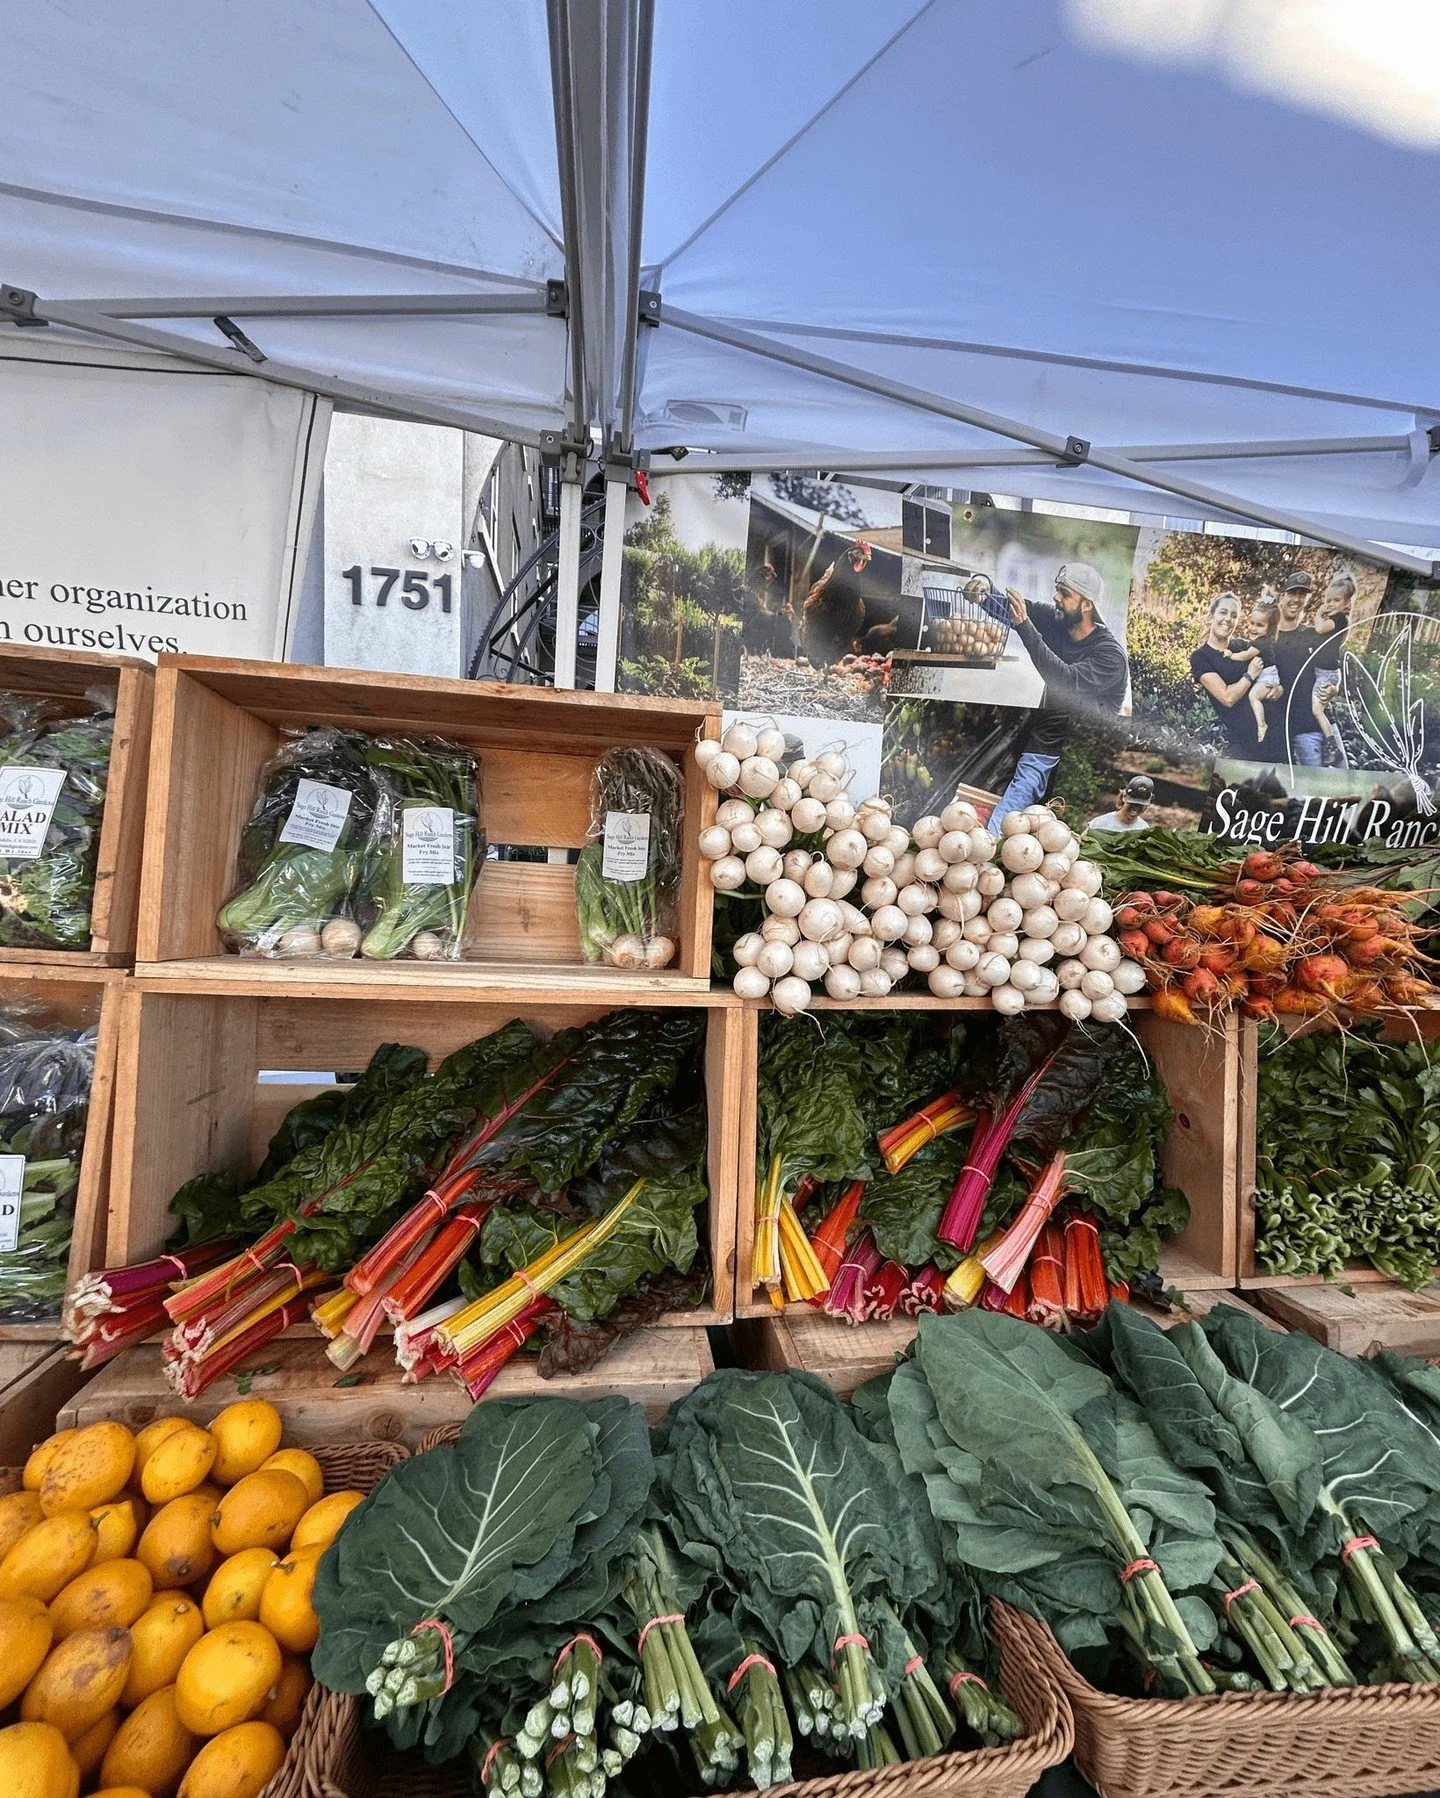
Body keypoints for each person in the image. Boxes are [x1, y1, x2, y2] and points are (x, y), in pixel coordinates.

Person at [990, 562, 1130, 825]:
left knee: (1058, 833)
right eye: (1057, 590)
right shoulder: (1057, 620)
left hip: (1082, 755)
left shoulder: (1109, 655)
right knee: (1010, 815)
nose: (1056, 598)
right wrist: (983, 594)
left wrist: (1025, 627)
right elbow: (1013, 610)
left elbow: (1064, 680)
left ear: (1087, 605)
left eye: (1065, 594)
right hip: (1045, 742)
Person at [1189, 592, 1266, 759]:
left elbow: (1274, 664)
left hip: (1272, 734)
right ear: (1211, 616)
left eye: (1234, 615)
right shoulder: (1201, 657)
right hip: (1242, 743)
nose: (1228, 619)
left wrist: (1278, 689)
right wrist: (1250, 675)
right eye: (1223, 612)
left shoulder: (1243, 646)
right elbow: (1227, 698)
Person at [1267, 572, 1327, 767]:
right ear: (1281, 597)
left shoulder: (1312, 635)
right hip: (1276, 731)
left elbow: (1330, 670)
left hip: (1309, 727)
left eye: (1302, 594)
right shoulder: (1266, 639)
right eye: (1292, 593)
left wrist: (1333, 689)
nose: (1297, 599)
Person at [1310, 573, 1353, 767]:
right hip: (1326, 672)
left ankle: (1332, 746)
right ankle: (1330, 744)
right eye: (1328, 600)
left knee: (1317, 709)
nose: (1330, 604)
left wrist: (1319, 613)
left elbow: (1319, 628)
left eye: (1336, 600)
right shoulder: (1338, 623)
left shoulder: (1339, 619)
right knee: (1320, 709)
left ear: (1346, 603)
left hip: (1326, 673)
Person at [1087, 775, 1155, 833]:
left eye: (1141, 804)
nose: (1136, 807)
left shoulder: (1144, 830)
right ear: (1124, 797)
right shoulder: (1099, 824)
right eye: (1132, 803)